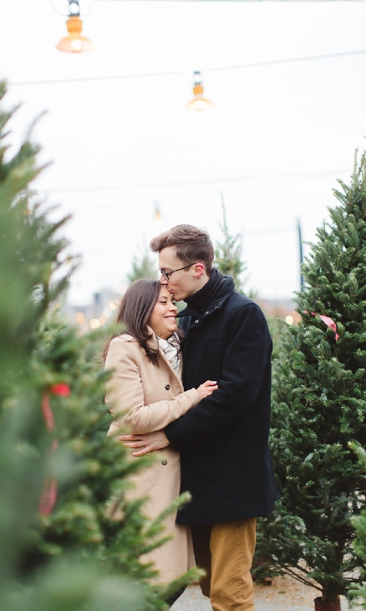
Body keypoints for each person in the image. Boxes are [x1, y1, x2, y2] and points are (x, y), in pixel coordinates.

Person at [119, 224, 279, 611]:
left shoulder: (244, 316)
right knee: (208, 587)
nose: (163, 281)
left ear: (197, 269)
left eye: (167, 272)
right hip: (192, 479)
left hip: (232, 482)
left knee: (230, 593)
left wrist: (169, 436)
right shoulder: (187, 321)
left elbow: (233, 398)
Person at [104, 278, 218, 603]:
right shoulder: (125, 347)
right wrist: (191, 398)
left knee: (173, 578)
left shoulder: (178, 346)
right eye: (164, 302)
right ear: (142, 309)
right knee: (149, 580)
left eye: (173, 301)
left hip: (171, 478)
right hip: (139, 476)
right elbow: (132, 417)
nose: (173, 308)